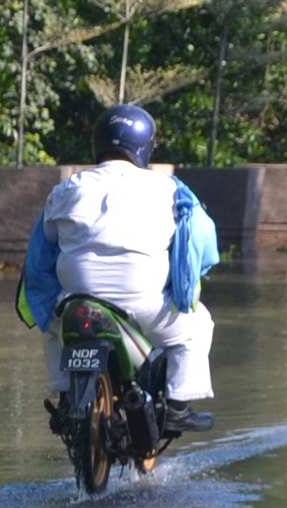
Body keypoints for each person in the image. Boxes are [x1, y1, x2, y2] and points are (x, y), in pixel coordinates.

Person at [18, 105, 219, 433]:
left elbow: (42, 250)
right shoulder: (171, 190)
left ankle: (65, 396)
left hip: (75, 304)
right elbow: (204, 244)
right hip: (145, 310)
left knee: (50, 327)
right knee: (198, 326)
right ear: (145, 146)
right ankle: (179, 405)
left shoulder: (65, 190)